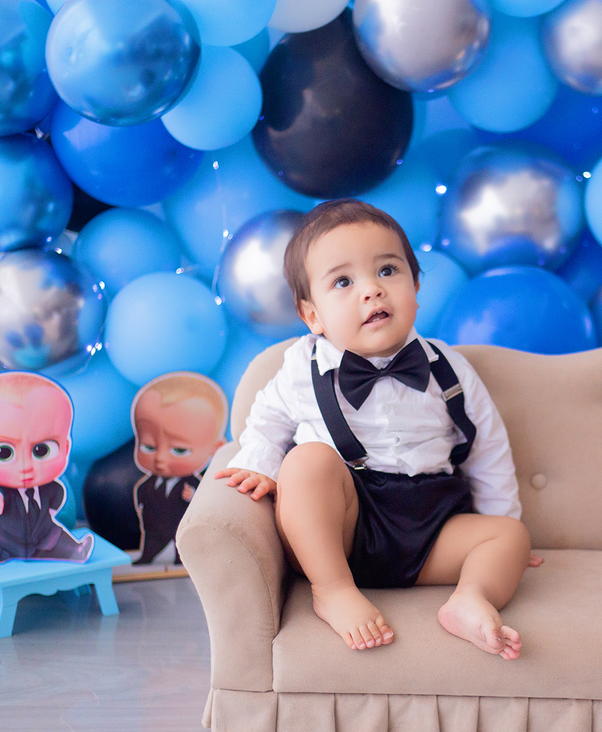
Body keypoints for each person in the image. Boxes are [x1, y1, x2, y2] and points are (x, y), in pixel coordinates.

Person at [215, 199, 538, 659]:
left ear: (416, 285)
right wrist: (258, 465)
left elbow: (487, 448)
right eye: (343, 282)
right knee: (307, 461)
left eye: (388, 271)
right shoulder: (300, 368)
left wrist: (500, 518)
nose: (372, 291)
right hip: (349, 524)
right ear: (313, 316)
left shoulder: (450, 367)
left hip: (432, 524)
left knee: (509, 535)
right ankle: (333, 590)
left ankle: (471, 599)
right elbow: (266, 422)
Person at [0, 371, 93, 563]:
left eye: (42, 450)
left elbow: (55, 499)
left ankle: (76, 551)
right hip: (3, 537)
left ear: (65, 448)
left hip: (42, 534)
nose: (25, 466)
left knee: (57, 536)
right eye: (4, 453)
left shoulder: (49, 487)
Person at [131, 372, 228, 566]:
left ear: (215, 450)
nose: (160, 459)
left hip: (180, 524)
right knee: (151, 544)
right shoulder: (149, 482)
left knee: (182, 545)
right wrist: (141, 503)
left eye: (179, 450)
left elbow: (204, 502)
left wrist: (192, 496)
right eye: (149, 446)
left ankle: (181, 561)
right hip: (153, 525)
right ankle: (146, 556)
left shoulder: (193, 483)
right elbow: (142, 491)